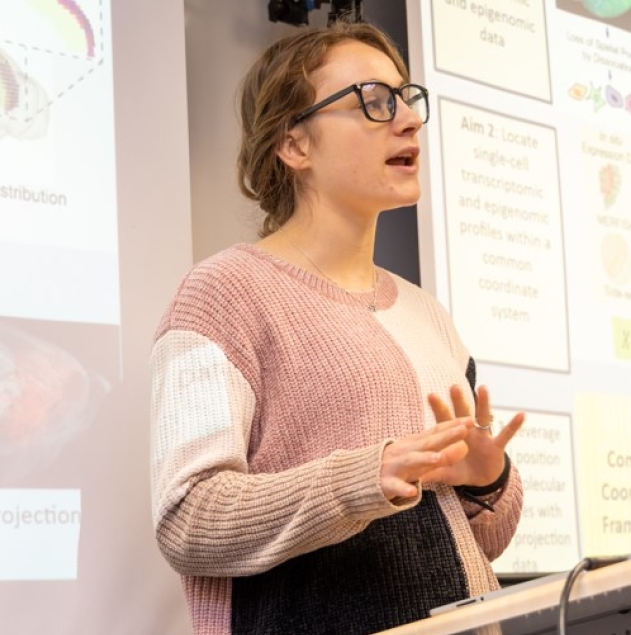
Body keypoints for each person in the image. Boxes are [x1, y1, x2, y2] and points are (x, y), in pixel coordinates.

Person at [149, 20, 526, 635]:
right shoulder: (225, 294)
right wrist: (362, 479)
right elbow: (187, 519)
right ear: (294, 144)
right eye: (374, 103)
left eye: (407, 99)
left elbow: (486, 539)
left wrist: (489, 481)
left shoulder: (428, 315)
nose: (408, 120)